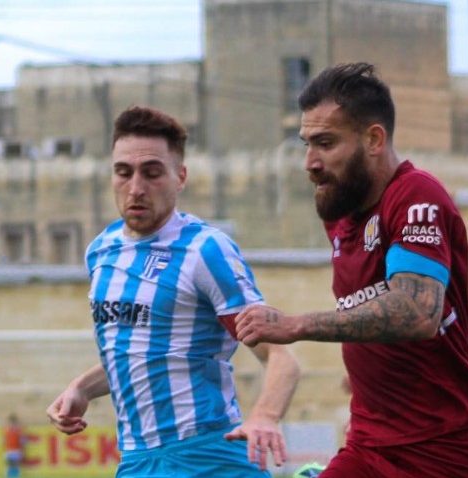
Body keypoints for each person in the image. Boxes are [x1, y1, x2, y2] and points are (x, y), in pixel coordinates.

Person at [235, 62, 468, 477]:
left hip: (451, 452)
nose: (310, 162)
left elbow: (417, 311)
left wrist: (296, 325)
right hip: (372, 447)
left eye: (325, 143)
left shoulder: (416, 195)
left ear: (373, 139)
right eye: (306, 144)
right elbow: (370, 314)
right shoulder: (341, 214)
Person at [46, 106, 300, 478]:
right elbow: (144, 352)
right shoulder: (101, 252)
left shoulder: (204, 251)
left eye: (152, 173)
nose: (136, 188)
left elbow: (279, 355)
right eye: (123, 172)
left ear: (179, 176)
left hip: (207, 456)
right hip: (136, 461)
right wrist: (81, 389)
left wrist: (264, 416)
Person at [3, 413, 25, 478]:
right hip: (12, 451)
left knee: (13, 467)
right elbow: (22, 441)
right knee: (12, 467)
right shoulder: (17, 430)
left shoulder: (7, 430)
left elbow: (4, 441)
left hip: (13, 451)